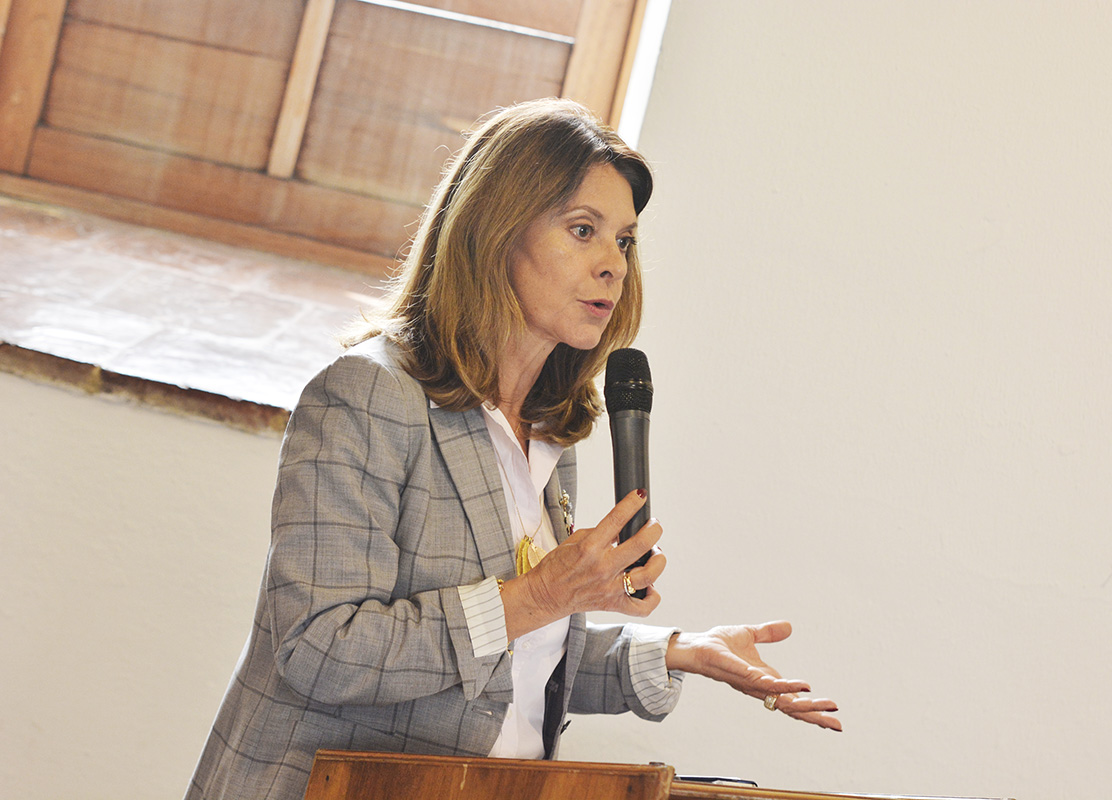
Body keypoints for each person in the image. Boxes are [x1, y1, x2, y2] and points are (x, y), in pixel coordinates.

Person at [185, 98, 839, 800]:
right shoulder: (369, 396)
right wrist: (544, 593)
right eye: (583, 230)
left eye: (624, 240)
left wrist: (683, 651)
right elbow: (320, 649)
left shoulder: (552, 435)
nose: (612, 266)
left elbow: (511, 665)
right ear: (495, 231)